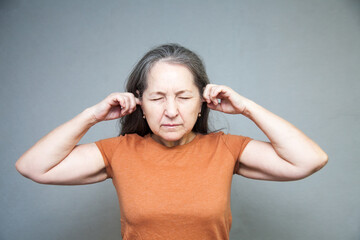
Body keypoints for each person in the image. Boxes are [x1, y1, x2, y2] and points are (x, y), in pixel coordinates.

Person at [15, 43, 328, 240]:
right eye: (157, 97)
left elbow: (310, 160)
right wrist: (91, 115)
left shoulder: (226, 149)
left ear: (204, 99)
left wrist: (246, 107)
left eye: (183, 96)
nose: (171, 112)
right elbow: (32, 167)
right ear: (139, 101)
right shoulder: (120, 152)